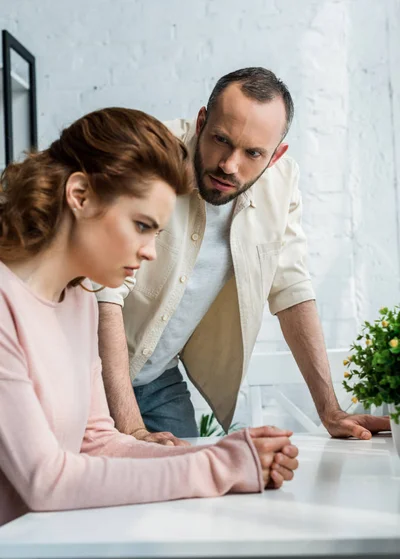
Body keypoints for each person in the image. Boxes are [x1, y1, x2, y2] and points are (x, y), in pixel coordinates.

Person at [0, 106, 300, 534]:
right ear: (80, 195)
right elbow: (45, 482)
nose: (150, 252)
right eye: (142, 225)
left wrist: (230, 454)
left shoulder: (79, 299)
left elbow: (98, 441)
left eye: (157, 232)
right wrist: (219, 467)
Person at [96, 68, 390, 445]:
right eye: (221, 139)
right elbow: (106, 292)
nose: (230, 165)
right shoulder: (147, 153)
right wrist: (132, 429)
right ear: (202, 122)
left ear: (275, 155)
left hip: (157, 378)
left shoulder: (282, 183)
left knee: (192, 489)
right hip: (83, 372)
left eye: (253, 153)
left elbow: (292, 290)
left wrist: (330, 410)